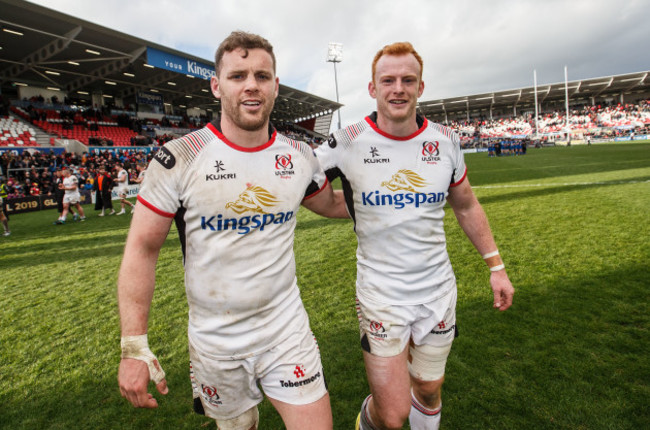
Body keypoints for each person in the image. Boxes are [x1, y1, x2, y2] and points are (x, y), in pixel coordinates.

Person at [117, 31, 347, 430]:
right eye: (238, 75)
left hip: (286, 331)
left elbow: (331, 205)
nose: (251, 85)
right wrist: (133, 346)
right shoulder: (179, 158)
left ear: (275, 85)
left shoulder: (299, 156)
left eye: (261, 75)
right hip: (214, 344)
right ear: (216, 85)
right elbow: (141, 249)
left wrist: (405, 188)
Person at [315, 42, 515, 430]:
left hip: (437, 291)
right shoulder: (347, 141)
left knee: (428, 388)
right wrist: (347, 204)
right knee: (392, 416)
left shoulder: (445, 141)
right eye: (387, 80)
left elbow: (466, 205)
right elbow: (298, 182)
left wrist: (497, 266)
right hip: (381, 296)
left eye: (408, 80)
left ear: (421, 87)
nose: (398, 89)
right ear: (372, 89)